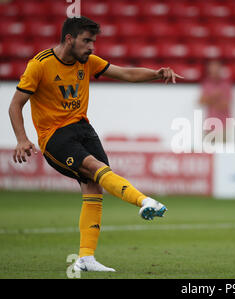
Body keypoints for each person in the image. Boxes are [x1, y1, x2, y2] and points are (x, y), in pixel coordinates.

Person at [8, 16, 183, 272]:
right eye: (87, 41)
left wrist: (156, 74)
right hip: (55, 137)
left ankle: (86, 258)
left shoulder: (87, 62)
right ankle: (144, 201)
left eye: (93, 42)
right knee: (95, 168)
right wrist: (22, 139)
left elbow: (125, 73)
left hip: (83, 129)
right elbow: (15, 104)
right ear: (69, 39)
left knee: (94, 187)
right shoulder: (39, 65)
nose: (92, 47)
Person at [198, 60, 233, 143]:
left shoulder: (226, 84)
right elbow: (201, 101)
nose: (214, 70)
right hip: (209, 124)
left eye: (216, 68)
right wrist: (215, 96)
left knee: (224, 151)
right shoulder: (206, 83)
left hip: (223, 125)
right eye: (212, 68)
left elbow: (225, 105)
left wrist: (209, 100)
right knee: (208, 150)